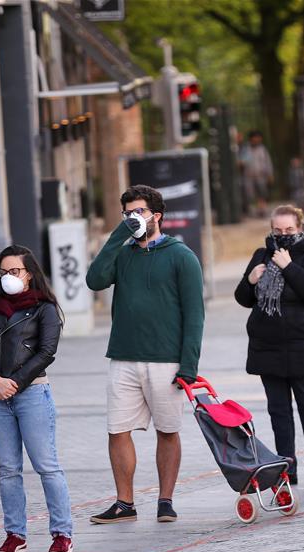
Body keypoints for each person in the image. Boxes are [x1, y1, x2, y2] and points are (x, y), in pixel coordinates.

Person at [85, 184, 205, 524]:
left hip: (166, 360)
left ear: (157, 216)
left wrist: (189, 366)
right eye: (127, 213)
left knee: (167, 430)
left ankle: (165, 500)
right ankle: (125, 503)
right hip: (123, 357)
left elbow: (195, 314)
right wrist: (117, 235)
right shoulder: (122, 252)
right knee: (117, 430)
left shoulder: (181, 256)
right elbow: (95, 280)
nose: (133, 218)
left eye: (138, 212)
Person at [0, 245, 75, 552]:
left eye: (14, 271)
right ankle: (14, 534)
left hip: (32, 394)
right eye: (3, 272)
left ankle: (62, 533)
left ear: (29, 273)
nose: (8, 277)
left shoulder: (44, 308)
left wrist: (14, 383)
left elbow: (47, 352)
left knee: (47, 466)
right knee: (8, 470)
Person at [234, 205, 304, 486]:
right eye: (277, 230)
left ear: (300, 229)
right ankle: (287, 467)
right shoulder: (261, 255)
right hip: (269, 347)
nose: (283, 235)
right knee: (279, 412)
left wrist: (288, 266)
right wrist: (250, 280)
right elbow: (244, 298)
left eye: (289, 230)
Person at [240, 130, 274, 217]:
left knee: (262, 194)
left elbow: (267, 162)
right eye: (256, 138)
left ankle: (262, 211)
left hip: (261, 175)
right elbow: (241, 161)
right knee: (249, 194)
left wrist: (270, 174)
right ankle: (251, 211)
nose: (257, 140)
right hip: (248, 175)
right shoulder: (245, 149)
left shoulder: (263, 149)